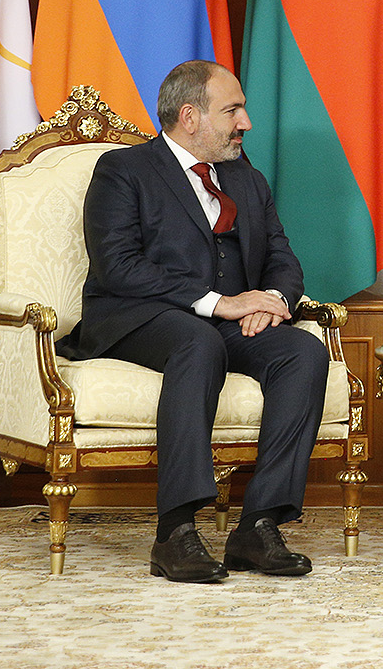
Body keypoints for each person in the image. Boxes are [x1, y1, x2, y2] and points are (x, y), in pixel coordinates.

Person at [56, 60, 329, 583]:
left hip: (227, 320)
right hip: (138, 317)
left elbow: (281, 255)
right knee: (198, 343)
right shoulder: (124, 170)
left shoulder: (246, 178)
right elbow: (119, 266)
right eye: (232, 111)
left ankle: (258, 526)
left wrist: (270, 300)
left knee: (303, 352)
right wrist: (219, 303)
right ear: (189, 117)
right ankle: (175, 532)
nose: (246, 122)